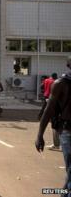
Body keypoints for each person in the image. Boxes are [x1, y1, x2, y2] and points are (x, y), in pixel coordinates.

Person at [35, 56, 71, 197]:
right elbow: (49, 110)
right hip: (68, 131)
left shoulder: (59, 83)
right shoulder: (61, 83)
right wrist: (40, 135)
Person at [39, 73, 60, 150]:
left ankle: (57, 144)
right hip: (53, 99)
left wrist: (44, 90)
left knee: (46, 111)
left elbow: (41, 87)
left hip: (48, 97)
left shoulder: (47, 80)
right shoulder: (57, 82)